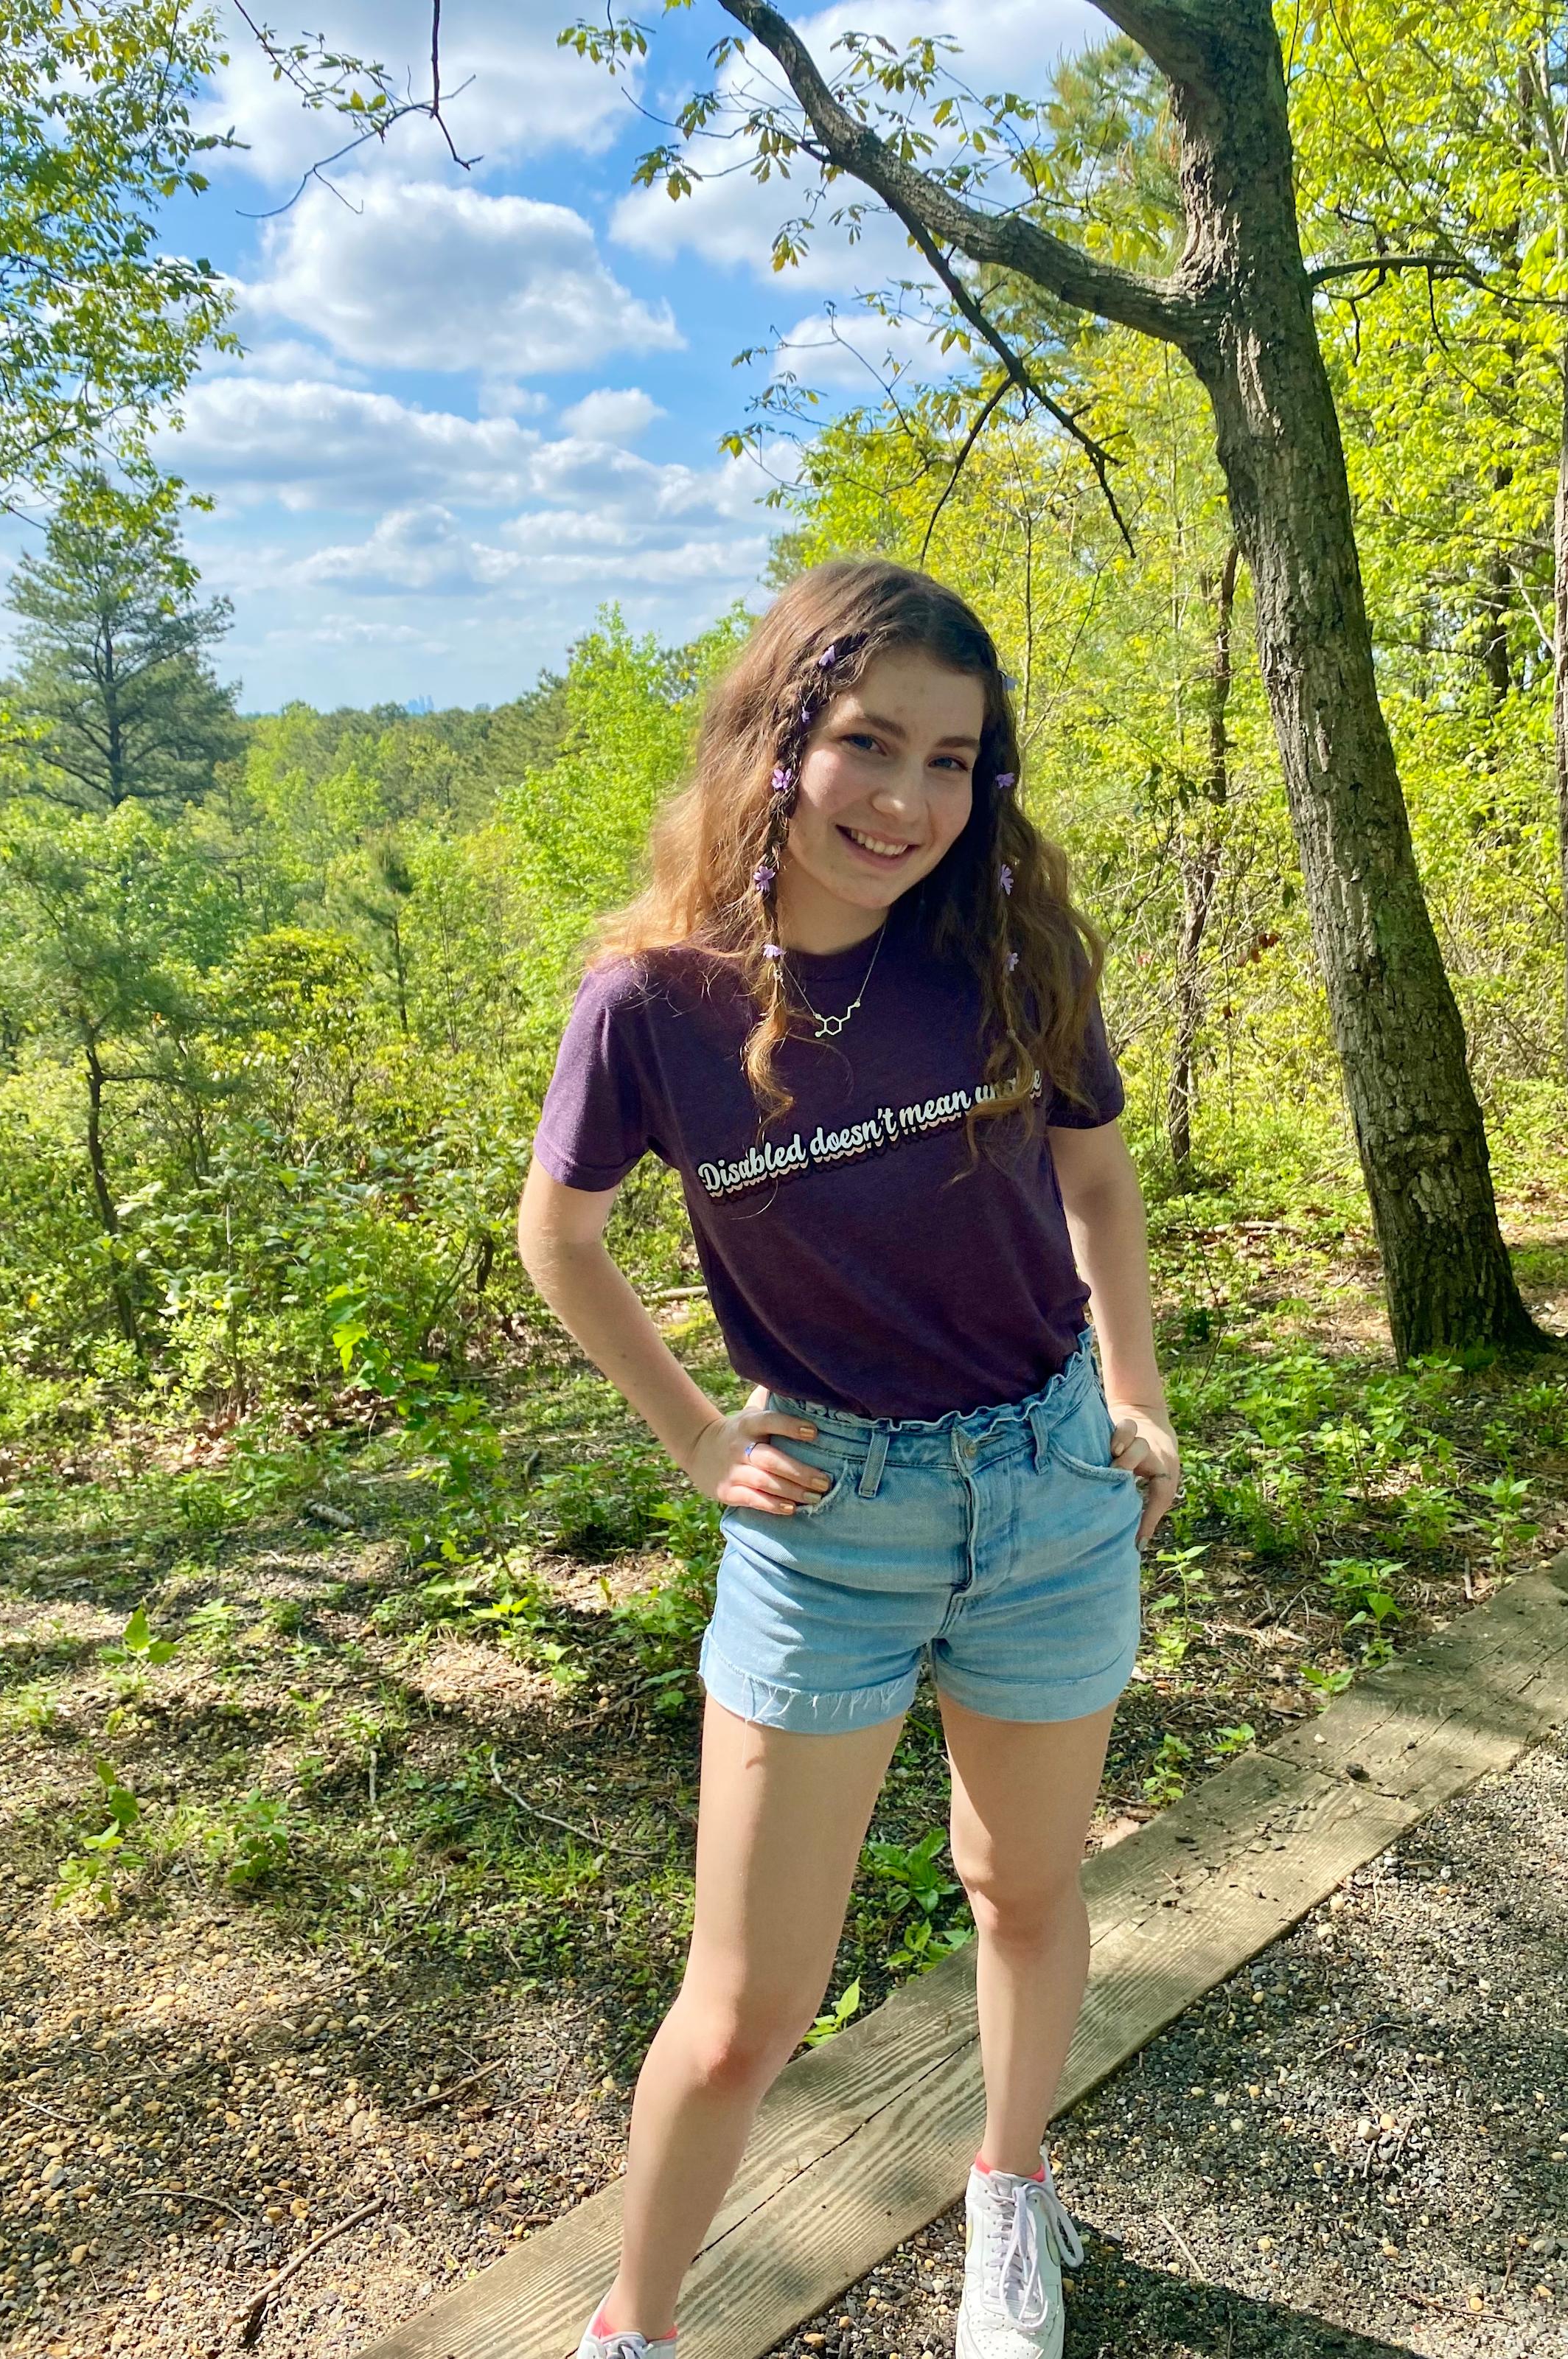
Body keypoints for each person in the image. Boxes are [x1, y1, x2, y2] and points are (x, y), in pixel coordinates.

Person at [518, 559, 1180, 2359]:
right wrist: (693, 1436)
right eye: (868, 741)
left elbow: (1097, 1178)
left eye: (955, 760)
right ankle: (632, 2330)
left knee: (1024, 1887)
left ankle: (1010, 2195)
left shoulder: (1009, 953)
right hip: (831, 1528)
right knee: (743, 2006)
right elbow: (560, 1236)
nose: (908, 799)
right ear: (778, 736)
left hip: (1051, 1492)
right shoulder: (653, 1002)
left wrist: (1140, 1390)